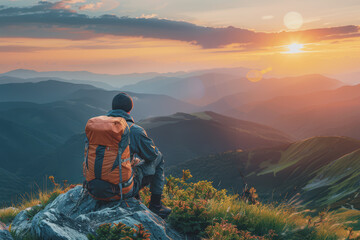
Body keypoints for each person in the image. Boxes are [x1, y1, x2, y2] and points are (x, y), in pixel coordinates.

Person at [107, 92, 171, 219]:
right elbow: (152, 156)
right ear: (130, 109)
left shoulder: (98, 128)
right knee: (159, 157)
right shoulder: (134, 130)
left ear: (113, 107)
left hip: (95, 186)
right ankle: (156, 205)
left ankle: (136, 197)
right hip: (120, 189)